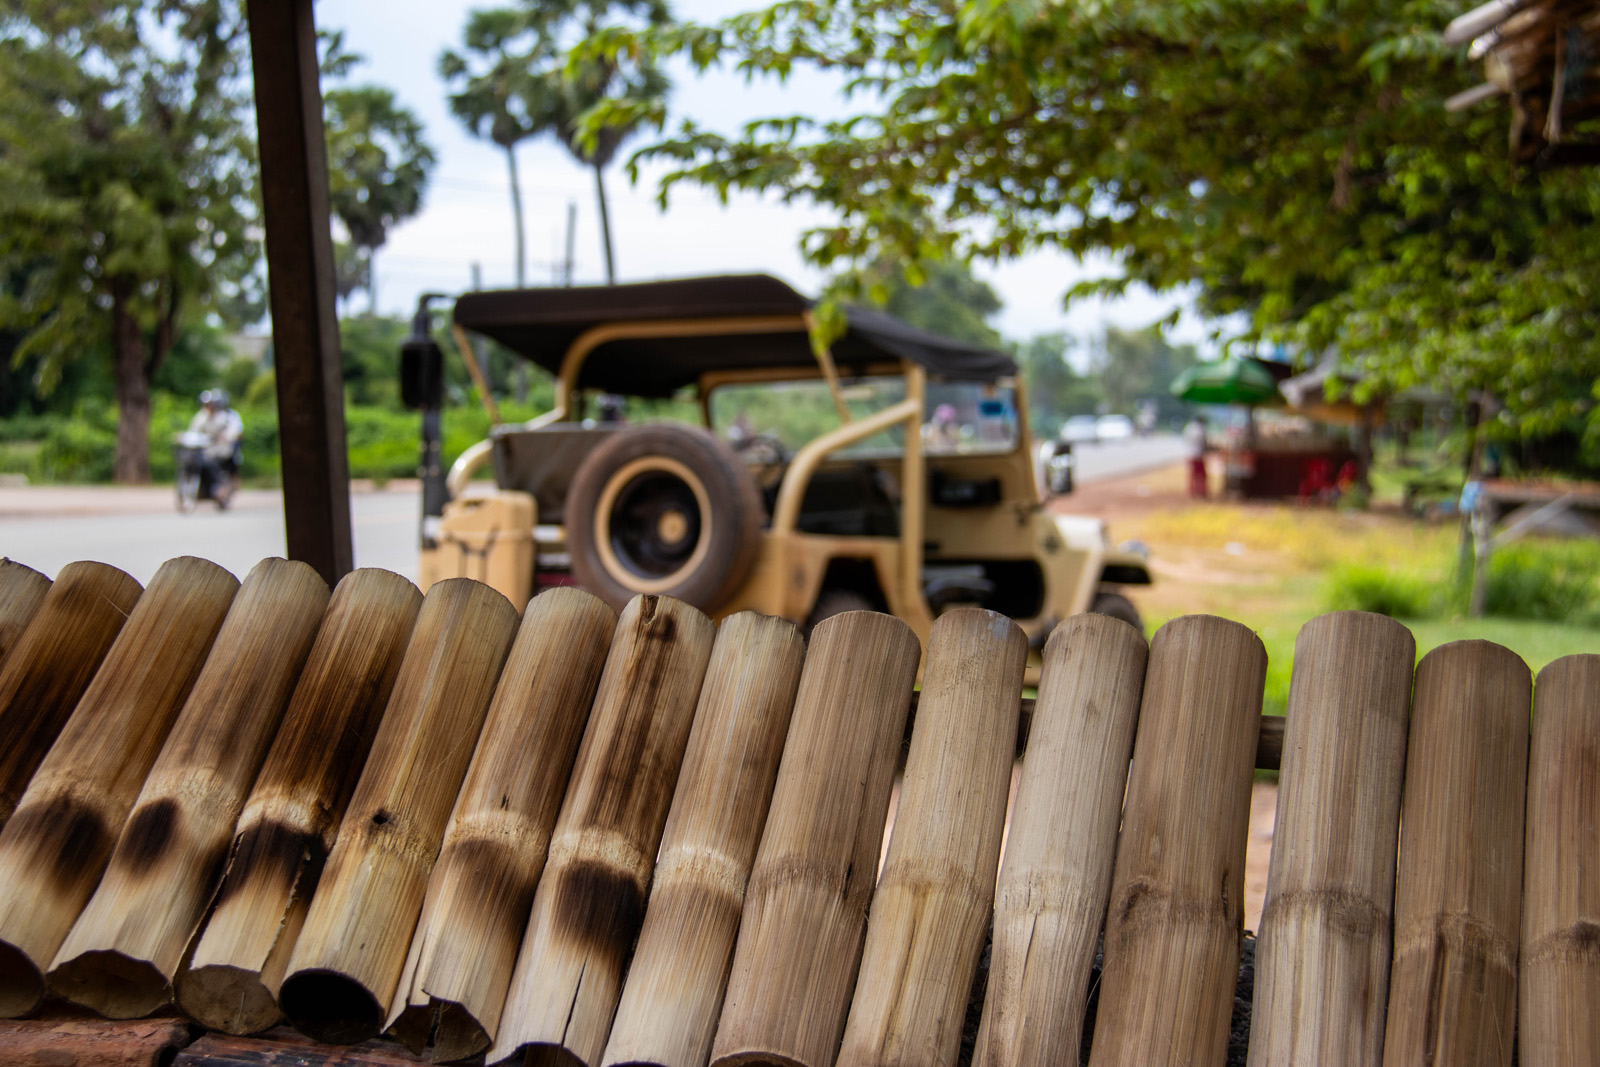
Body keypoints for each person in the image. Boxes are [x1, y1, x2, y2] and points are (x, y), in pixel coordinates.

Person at [188, 389, 243, 503]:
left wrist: (223, 437)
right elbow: (193, 430)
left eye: (211, 405)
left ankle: (221, 488)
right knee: (199, 461)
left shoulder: (226, 416)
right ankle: (205, 489)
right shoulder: (202, 416)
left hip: (224, 448)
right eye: (207, 405)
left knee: (215, 462)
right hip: (208, 448)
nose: (209, 407)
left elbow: (234, 432)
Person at [1185, 414, 1210, 499]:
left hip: (1190, 454)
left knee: (1192, 475)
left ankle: (1192, 491)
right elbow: (1204, 443)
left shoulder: (1189, 428)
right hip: (1197, 455)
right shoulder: (1200, 430)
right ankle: (1200, 492)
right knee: (1201, 475)